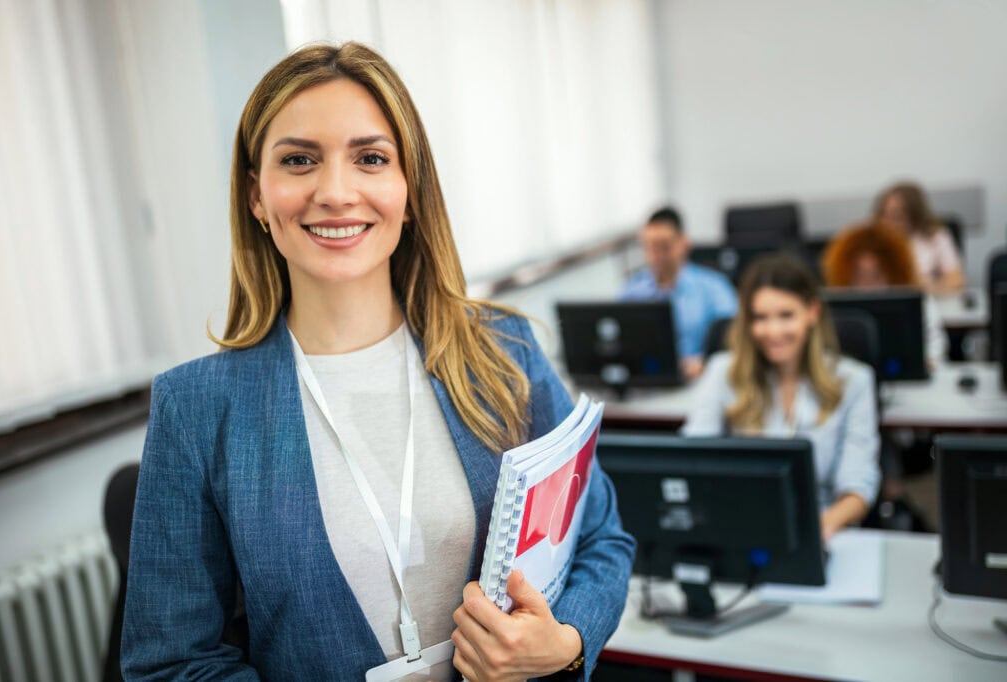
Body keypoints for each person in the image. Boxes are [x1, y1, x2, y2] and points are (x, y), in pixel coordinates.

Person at [121, 42, 635, 681]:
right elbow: (173, 662)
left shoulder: (507, 354)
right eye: (300, 160)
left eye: (370, 158)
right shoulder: (197, 409)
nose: (336, 193)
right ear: (257, 194)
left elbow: (601, 538)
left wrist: (567, 643)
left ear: (409, 189)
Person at [682, 254, 880, 542]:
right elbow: (691, 458)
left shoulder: (854, 381)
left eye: (786, 315)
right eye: (761, 318)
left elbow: (858, 487)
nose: (773, 331)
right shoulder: (722, 371)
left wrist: (818, 530)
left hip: (822, 527)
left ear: (812, 312)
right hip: (739, 526)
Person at [620, 206, 738, 380]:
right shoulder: (633, 290)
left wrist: (705, 362)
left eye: (663, 247)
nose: (655, 255)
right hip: (648, 380)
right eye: (648, 247)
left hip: (700, 379)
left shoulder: (714, 287)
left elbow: (736, 338)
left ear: (684, 243)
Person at [822, 220, 947, 367]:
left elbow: (936, 343)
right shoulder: (831, 308)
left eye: (876, 276)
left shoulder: (918, 302)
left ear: (894, 272)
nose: (867, 285)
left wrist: (928, 362)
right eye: (859, 276)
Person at [873, 181, 965, 294]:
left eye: (897, 216)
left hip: (926, 301)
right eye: (884, 215)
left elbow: (957, 281)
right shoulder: (872, 241)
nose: (889, 223)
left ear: (914, 216)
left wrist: (923, 285)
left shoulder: (935, 236)